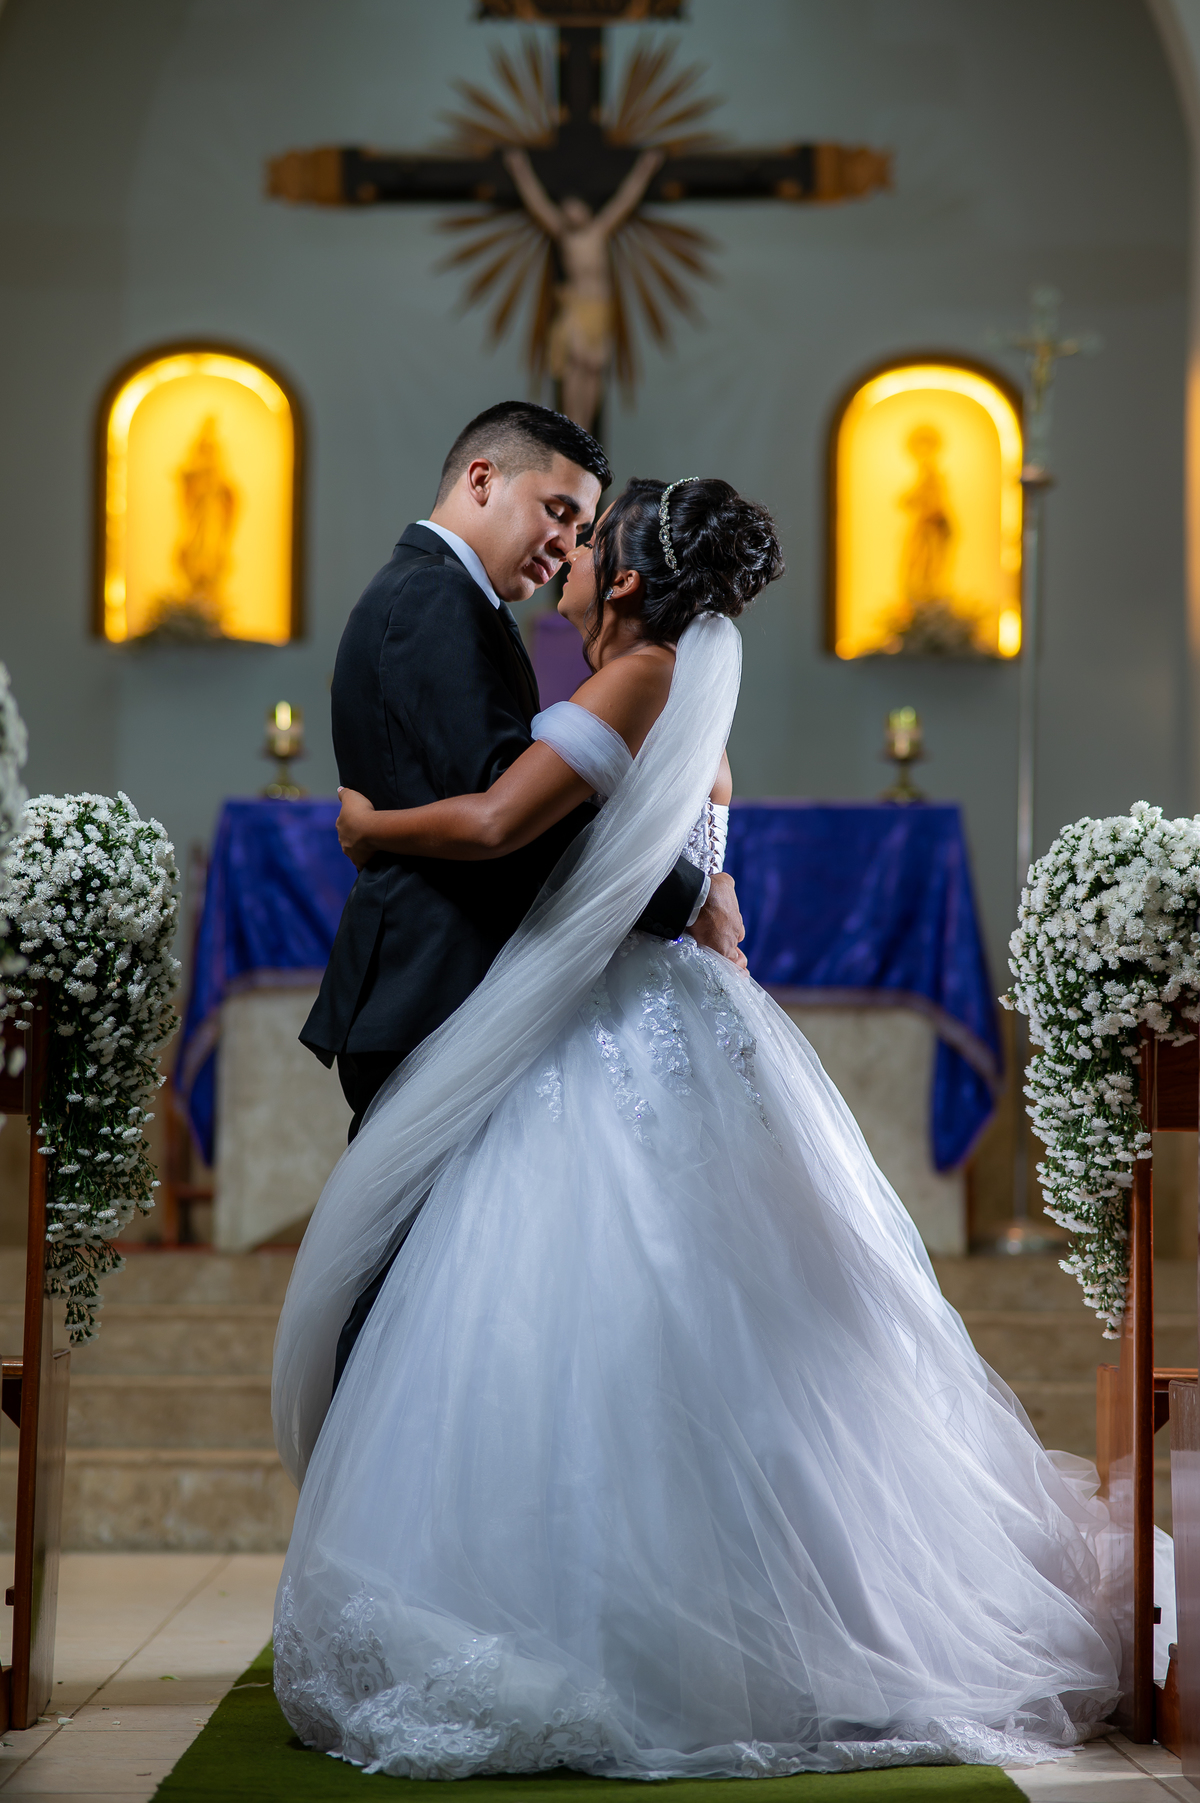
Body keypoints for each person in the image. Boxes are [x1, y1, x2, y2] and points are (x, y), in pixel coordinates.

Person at [272, 477, 1121, 1780]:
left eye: (588, 541)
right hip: (657, 1013)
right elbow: (679, 865)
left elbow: (515, 829)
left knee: (606, 1327)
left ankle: (619, 1636)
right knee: (650, 1335)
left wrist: (371, 824)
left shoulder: (639, 676)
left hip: (615, 1030)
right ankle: (663, 1621)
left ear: (621, 579)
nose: (566, 553)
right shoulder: (678, 686)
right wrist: (700, 890)